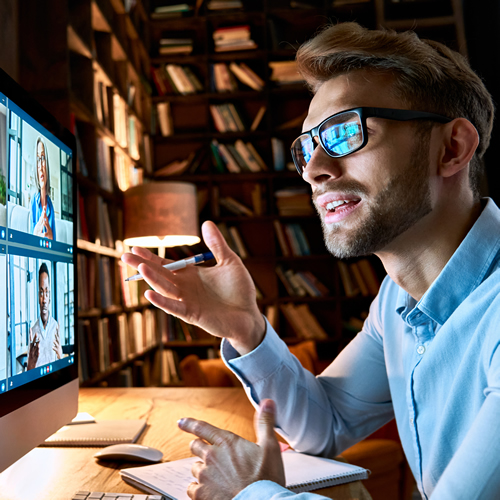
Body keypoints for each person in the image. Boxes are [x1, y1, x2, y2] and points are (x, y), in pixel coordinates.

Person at [122, 22, 500, 500]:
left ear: (452, 148)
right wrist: (246, 329)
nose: (316, 171)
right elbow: (328, 424)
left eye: (347, 133)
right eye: (307, 147)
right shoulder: (398, 300)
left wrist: (250, 495)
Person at [27, 262, 62, 370]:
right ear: (38, 297)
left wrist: (61, 355)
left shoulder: (56, 327)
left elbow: (63, 370)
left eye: (47, 292)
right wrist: (30, 365)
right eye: (41, 293)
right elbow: (29, 372)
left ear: (50, 296)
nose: (44, 300)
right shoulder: (33, 332)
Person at [31, 137, 56, 240]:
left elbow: (54, 243)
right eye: (37, 159)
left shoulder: (51, 207)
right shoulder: (33, 201)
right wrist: (35, 235)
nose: (40, 166)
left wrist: (51, 239)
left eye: (43, 158)